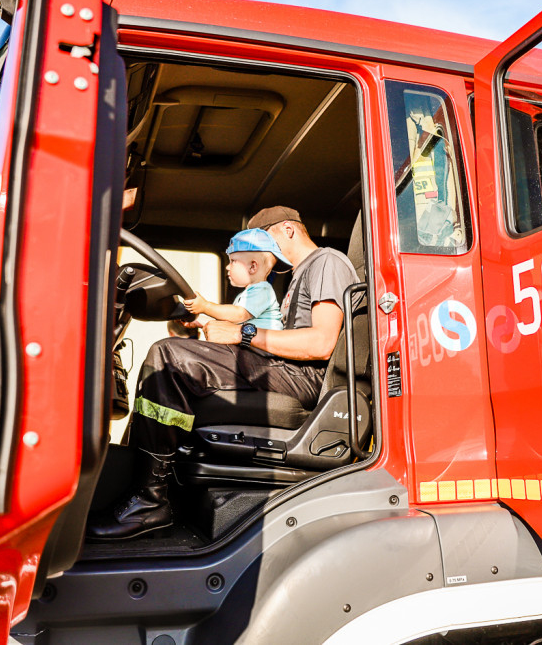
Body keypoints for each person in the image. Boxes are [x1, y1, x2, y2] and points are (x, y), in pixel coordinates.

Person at [88, 206, 358, 540]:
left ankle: (150, 500)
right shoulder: (297, 277)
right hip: (282, 368)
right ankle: (138, 484)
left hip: (301, 378)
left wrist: (243, 335)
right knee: (175, 359)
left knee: (171, 356)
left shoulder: (326, 262)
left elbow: (321, 342)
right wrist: (212, 322)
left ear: (288, 229)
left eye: (264, 239)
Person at [183, 228, 289, 331]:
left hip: (260, 348)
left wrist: (205, 306)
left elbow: (238, 315)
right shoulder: (248, 294)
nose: (227, 267)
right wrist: (199, 320)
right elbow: (232, 322)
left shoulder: (263, 290)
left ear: (253, 267)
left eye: (233, 261)